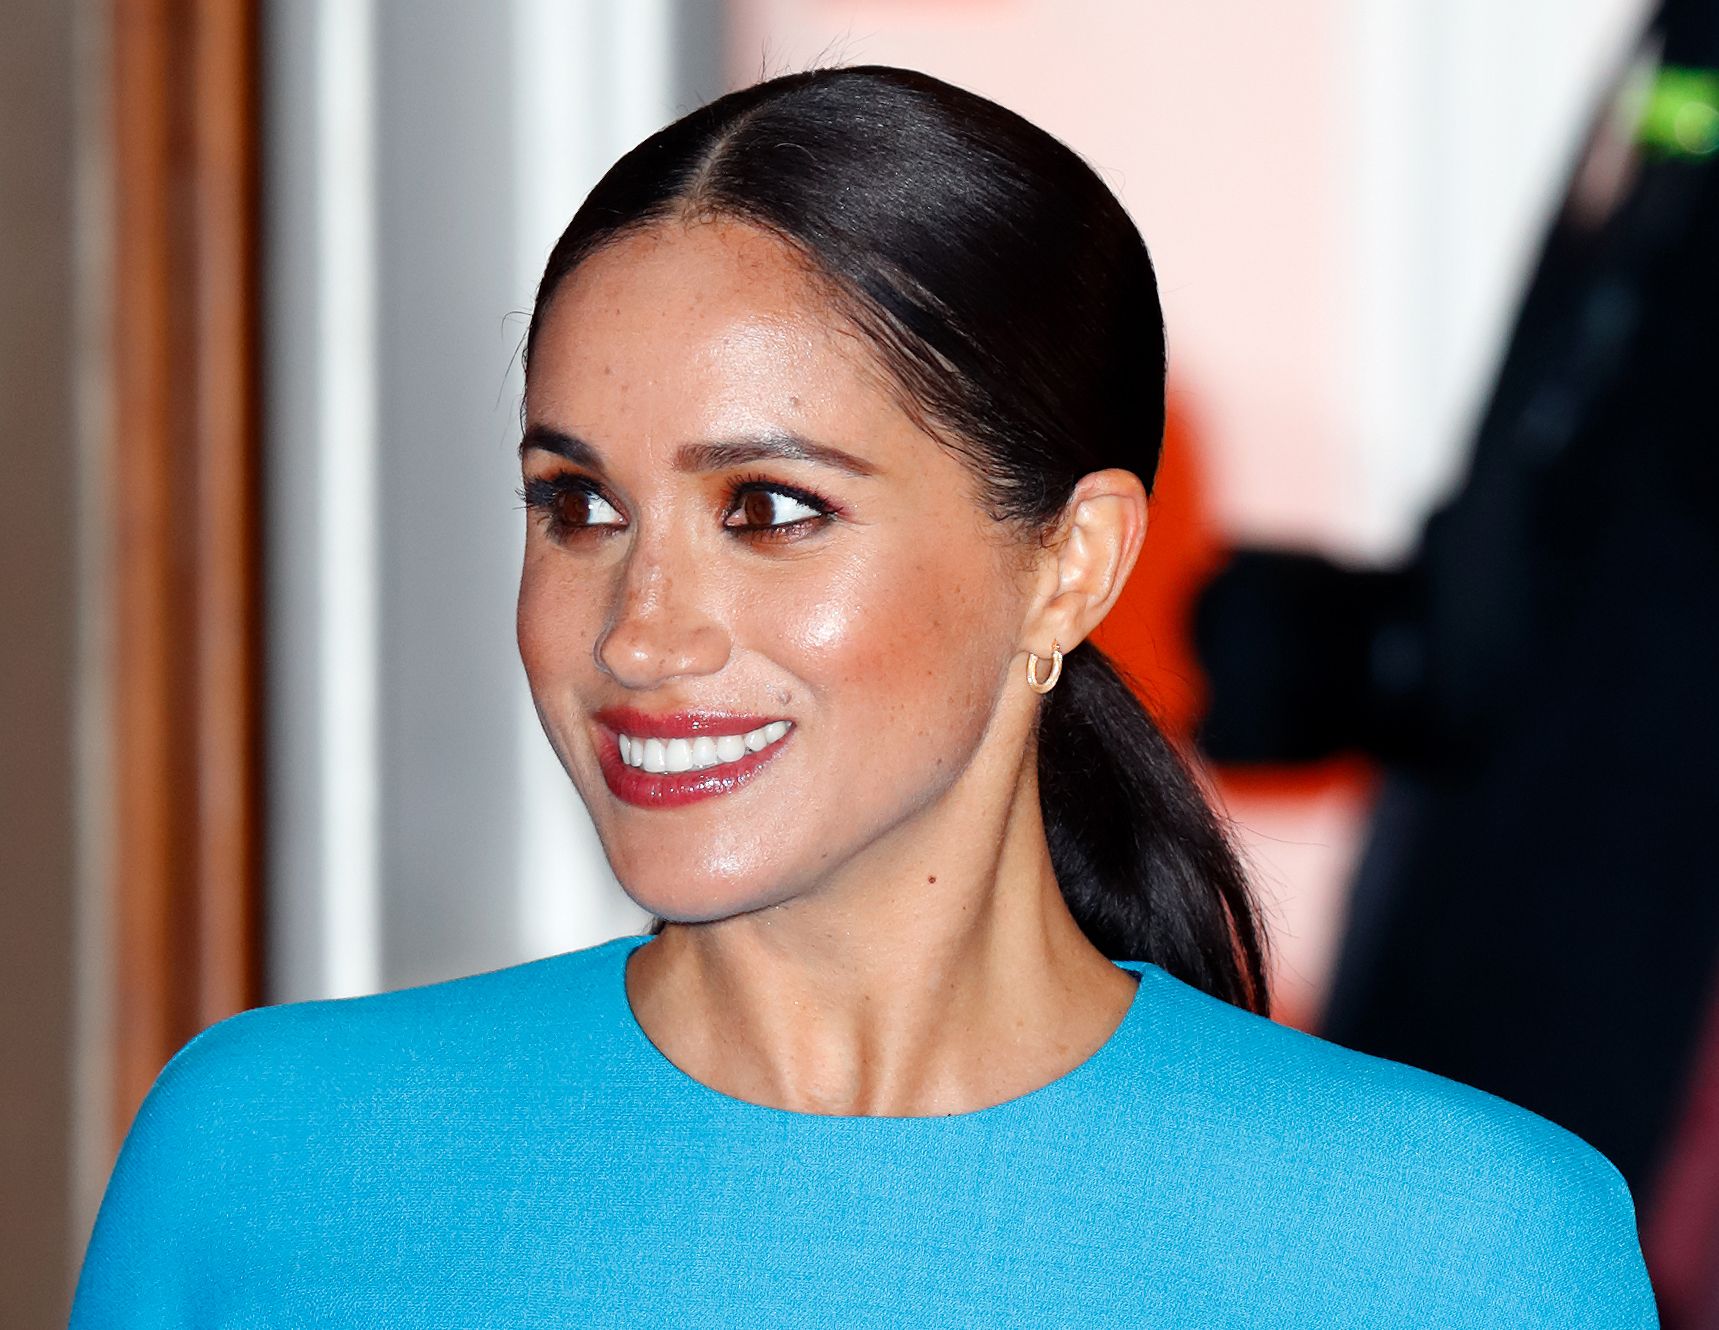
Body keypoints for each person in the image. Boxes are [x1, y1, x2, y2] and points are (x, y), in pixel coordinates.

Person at [69, 65, 1656, 1327]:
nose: (639, 632)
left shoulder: (1458, 1249)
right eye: (579, 504)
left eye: (766, 507)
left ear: (1072, 562)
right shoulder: (269, 1165)